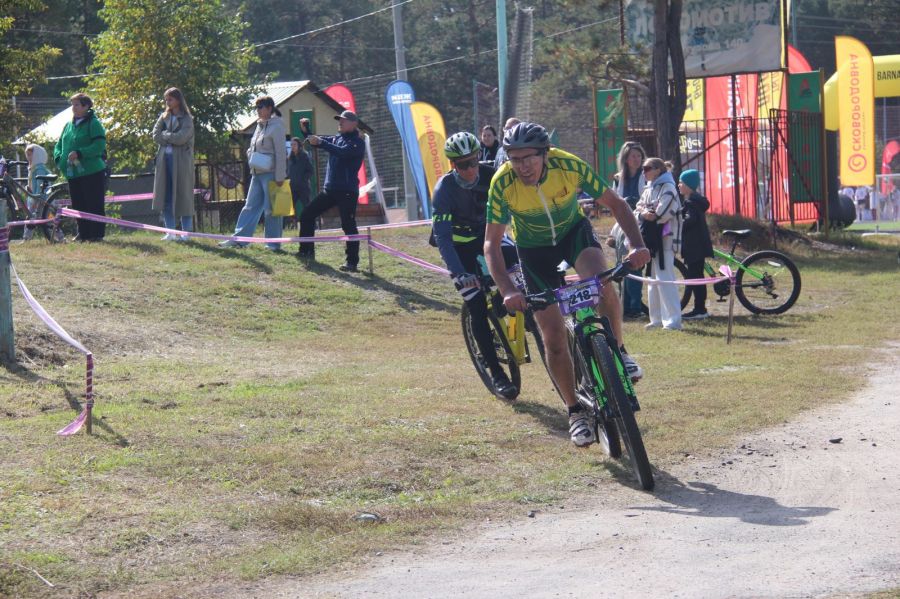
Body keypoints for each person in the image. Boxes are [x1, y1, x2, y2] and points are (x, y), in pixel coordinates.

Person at [483, 122, 650, 447]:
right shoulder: (502, 183)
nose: (523, 166)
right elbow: (491, 245)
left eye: (529, 157)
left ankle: (619, 352)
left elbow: (617, 204)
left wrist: (636, 244)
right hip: (534, 250)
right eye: (515, 159)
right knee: (554, 337)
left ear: (545, 154)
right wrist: (508, 290)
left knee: (601, 283)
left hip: (574, 235)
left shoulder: (568, 165)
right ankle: (574, 411)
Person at [432, 132, 518, 400]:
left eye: (472, 162)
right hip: (458, 246)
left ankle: (526, 319)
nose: (470, 169)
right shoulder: (444, 190)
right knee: (477, 305)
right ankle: (496, 372)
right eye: (462, 165)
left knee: (519, 268)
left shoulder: (492, 175)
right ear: (452, 165)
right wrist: (460, 273)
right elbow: (443, 238)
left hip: (487, 235)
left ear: (479, 156)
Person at [297, 110, 366, 271]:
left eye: (344, 120)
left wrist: (321, 142)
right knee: (307, 215)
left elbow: (341, 152)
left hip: (347, 191)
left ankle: (352, 262)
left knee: (348, 224)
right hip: (330, 190)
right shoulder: (336, 138)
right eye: (339, 120)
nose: (340, 122)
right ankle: (306, 252)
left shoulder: (357, 143)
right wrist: (306, 130)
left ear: (354, 124)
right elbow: (316, 140)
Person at [219, 96, 287, 250]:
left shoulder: (277, 126)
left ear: (270, 108)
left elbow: (281, 152)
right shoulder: (258, 126)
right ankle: (239, 239)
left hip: (272, 174)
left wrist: (280, 176)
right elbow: (253, 147)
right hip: (257, 173)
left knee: (272, 210)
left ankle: (273, 244)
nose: (258, 110)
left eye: (261, 106)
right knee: (249, 207)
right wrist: (250, 156)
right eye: (256, 107)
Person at [635, 157, 683, 331]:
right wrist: (645, 212)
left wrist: (648, 212)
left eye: (647, 168)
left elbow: (662, 212)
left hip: (666, 241)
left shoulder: (668, 187)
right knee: (652, 280)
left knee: (665, 279)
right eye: (643, 168)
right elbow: (637, 208)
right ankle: (656, 319)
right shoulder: (649, 189)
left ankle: (673, 320)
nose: (644, 171)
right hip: (651, 241)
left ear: (657, 170)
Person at [53, 93, 107, 242]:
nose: (73, 108)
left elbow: (99, 145)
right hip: (73, 173)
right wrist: (59, 159)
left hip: (92, 171)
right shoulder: (68, 125)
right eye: (73, 105)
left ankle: (96, 234)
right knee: (78, 204)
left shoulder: (94, 123)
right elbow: (58, 146)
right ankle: (83, 233)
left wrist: (80, 153)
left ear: (86, 106)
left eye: (77, 105)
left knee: (93, 203)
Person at [151, 87, 195, 241]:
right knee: (166, 196)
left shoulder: (187, 119)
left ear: (178, 100)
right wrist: (170, 137)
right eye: (166, 99)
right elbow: (156, 135)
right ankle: (170, 231)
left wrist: (167, 135)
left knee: (184, 195)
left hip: (182, 162)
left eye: (170, 99)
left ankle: (186, 232)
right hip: (165, 161)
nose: (167, 102)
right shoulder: (163, 117)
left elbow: (182, 138)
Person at [612, 141, 647, 319]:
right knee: (621, 265)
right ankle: (625, 305)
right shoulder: (619, 178)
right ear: (626, 158)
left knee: (635, 264)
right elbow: (614, 202)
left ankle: (634, 307)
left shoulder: (645, 175)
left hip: (640, 224)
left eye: (639, 156)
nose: (636, 159)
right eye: (633, 156)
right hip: (622, 225)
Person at [678, 169, 713, 320]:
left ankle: (700, 309)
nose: (679, 185)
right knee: (696, 276)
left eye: (681, 183)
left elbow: (690, 220)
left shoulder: (691, 202)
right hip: (696, 245)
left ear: (688, 186)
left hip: (695, 245)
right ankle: (699, 307)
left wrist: (678, 223)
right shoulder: (694, 201)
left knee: (696, 278)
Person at [22, 143, 51, 242]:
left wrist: (36, 200)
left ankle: (59, 236)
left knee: (48, 218)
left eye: (30, 155)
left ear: (37, 155)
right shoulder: (32, 168)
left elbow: (40, 185)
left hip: (40, 198)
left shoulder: (40, 169)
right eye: (27, 155)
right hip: (33, 197)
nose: (28, 157)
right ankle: (26, 238)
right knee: (30, 218)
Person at [288, 137, 313, 218]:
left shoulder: (304, 156)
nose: (292, 146)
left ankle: (312, 224)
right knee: (291, 207)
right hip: (292, 186)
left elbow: (310, 171)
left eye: (294, 144)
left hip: (303, 187)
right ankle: (292, 225)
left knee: (307, 206)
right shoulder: (290, 158)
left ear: (299, 145)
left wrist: (304, 179)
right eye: (291, 145)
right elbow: (287, 171)